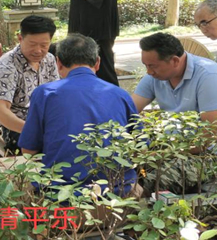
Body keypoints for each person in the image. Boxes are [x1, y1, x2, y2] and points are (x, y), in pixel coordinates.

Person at [19, 34, 139, 194]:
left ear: (58, 63)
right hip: (117, 190)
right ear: (98, 62)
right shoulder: (121, 94)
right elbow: (140, 147)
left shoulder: (45, 93)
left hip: (61, 194)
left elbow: (28, 151)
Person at [131, 33, 217, 193]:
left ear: (175, 61)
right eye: (145, 65)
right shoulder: (155, 77)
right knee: (123, 172)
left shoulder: (210, 77)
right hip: (168, 147)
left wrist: (161, 153)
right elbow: (129, 111)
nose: (149, 72)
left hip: (208, 156)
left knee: (144, 185)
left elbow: (209, 137)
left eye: (152, 66)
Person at [0, 15, 59, 153]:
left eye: (44, 45)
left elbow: (56, 96)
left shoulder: (50, 59)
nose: (38, 51)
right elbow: (1, 111)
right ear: (20, 38)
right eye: (32, 44)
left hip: (47, 123)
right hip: (17, 128)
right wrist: (33, 131)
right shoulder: (7, 66)